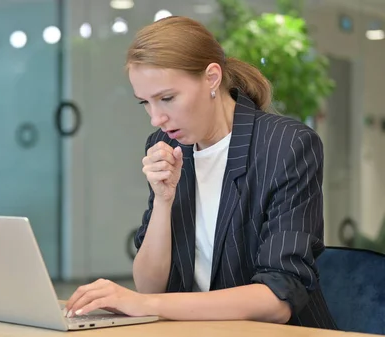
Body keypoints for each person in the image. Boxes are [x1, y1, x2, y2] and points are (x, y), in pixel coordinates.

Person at [64, 16, 337, 330]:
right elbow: (150, 286)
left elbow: (277, 299)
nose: (156, 118)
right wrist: (164, 201)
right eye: (145, 102)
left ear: (211, 78)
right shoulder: (166, 145)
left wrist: (144, 304)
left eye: (167, 98)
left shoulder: (287, 145)